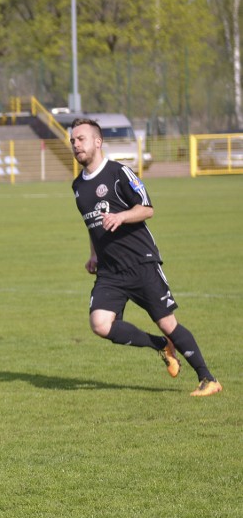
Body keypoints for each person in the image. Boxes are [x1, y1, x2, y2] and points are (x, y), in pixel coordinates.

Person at [69, 118, 222, 397]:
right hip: (110, 272)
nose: (76, 145)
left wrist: (122, 216)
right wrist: (93, 255)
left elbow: (147, 208)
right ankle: (159, 345)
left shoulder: (119, 173)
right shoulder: (78, 186)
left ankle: (208, 378)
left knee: (167, 322)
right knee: (100, 324)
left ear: (98, 141)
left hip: (141, 262)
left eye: (81, 139)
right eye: (73, 141)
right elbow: (92, 224)